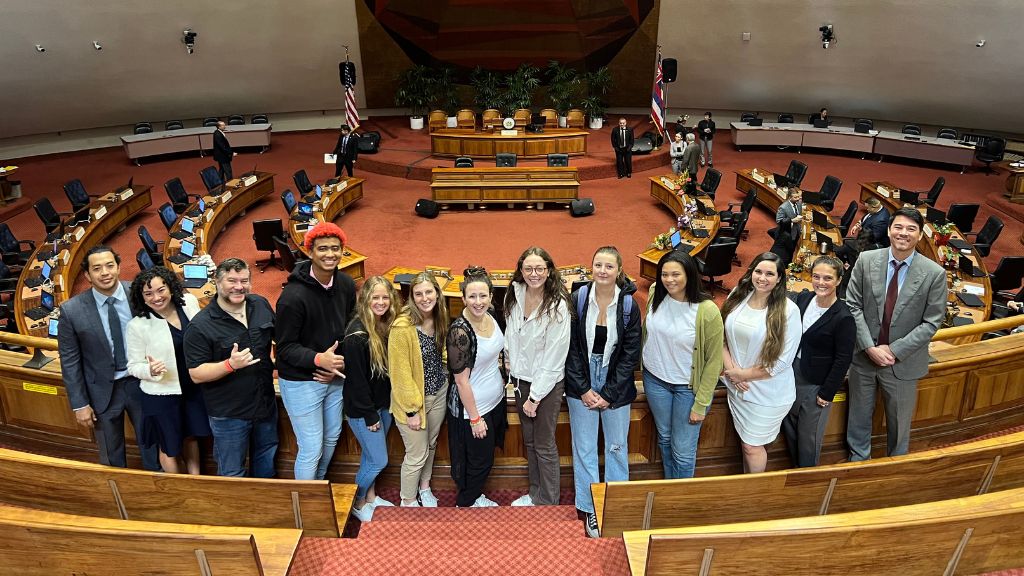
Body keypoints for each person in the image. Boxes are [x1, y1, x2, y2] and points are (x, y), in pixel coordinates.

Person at [845, 208, 946, 460]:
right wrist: (869, 347)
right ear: (889, 230)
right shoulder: (866, 260)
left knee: (899, 424)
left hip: (902, 362)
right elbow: (852, 305)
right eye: (898, 227)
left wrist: (893, 350)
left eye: (911, 229)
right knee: (858, 417)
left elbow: (931, 323)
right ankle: (858, 463)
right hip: (863, 358)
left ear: (920, 235)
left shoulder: (934, 273)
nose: (903, 233)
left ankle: (895, 465)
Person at [57, 246, 159, 470]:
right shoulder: (71, 310)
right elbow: (70, 361)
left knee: (152, 443)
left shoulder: (140, 294)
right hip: (102, 391)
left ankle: (158, 489)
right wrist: (80, 404)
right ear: (87, 275)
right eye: (97, 268)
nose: (105, 272)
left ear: (119, 267)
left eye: (110, 265)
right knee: (111, 454)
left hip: (141, 382)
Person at [565, 246, 641, 537]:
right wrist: (584, 389)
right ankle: (591, 509)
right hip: (581, 381)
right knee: (583, 449)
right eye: (598, 264)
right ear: (591, 266)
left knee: (616, 448)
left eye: (609, 266)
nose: (602, 271)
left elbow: (630, 354)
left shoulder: (628, 306)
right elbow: (570, 348)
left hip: (615, 385)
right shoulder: (579, 300)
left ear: (619, 270)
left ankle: (616, 506)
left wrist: (608, 393)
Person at [274, 223, 356, 480]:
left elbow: (351, 325)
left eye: (335, 248)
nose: (329, 254)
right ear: (310, 252)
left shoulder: (345, 283)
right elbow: (284, 348)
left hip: (333, 377)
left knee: (331, 438)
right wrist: (319, 359)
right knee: (311, 448)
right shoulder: (292, 297)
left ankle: (316, 488)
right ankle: (308, 508)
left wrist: (339, 364)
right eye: (322, 249)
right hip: (302, 382)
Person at [185, 258, 278, 477]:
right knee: (232, 471)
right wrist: (229, 365)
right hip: (230, 414)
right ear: (217, 282)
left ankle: (265, 508)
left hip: (265, 403)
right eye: (232, 281)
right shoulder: (200, 326)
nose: (239, 286)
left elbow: (278, 336)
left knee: (266, 456)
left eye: (244, 280)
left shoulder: (260, 304)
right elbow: (196, 374)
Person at [641, 249, 724, 480]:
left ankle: (680, 498)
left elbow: (714, 361)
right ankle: (670, 487)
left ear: (689, 274)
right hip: (655, 380)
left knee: (683, 452)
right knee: (665, 439)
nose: (669, 280)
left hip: (687, 389)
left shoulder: (707, 310)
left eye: (675, 274)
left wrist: (701, 403)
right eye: (665, 274)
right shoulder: (655, 292)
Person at [721, 252, 802, 474]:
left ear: (779, 279)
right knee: (746, 445)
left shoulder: (788, 311)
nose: (762, 278)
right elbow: (721, 337)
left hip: (768, 393)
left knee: (752, 446)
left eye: (769, 274)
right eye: (758, 271)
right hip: (736, 385)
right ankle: (748, 483)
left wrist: (742, 375)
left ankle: (755, 492)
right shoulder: (738, 295)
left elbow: (781, 362)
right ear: (751, 272)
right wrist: (732, 372)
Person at [125, 267, 209, 475]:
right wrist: (150, 370)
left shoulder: (188, 303)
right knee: (169, 446)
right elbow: (133, 366)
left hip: (192, 387)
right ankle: (179, 489)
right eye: (148, 294)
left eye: (161, 290)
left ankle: (195, 483)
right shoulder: (137, 326)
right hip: (162, 394)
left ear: (171, 288)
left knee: (190, 436)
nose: (156, 297)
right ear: (141, 297)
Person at [504, 247, 571, 507]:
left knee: (544, 444)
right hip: (521, 380)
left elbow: (555, 357)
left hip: (546, 385)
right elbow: (511, 329)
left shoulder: (558, 305)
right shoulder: (515, 292)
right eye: (529, 269)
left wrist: (534, 397)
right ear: (521, 270)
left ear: (549, 270)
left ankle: (549, 501)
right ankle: (535, 493)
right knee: (530, 443)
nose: (534, 274)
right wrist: (509, 358)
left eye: (540, 269)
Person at [780, 257, 855, 467]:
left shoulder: (844, 317)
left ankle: (807, 478)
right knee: (790, 425)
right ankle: (797, 470)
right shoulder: (803, 300)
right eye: (816, 277)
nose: (821, 282)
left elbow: (843, 358)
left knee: (808, 437)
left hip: (816, 382)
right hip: (792, 372)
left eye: (828, 278)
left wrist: (827, 392)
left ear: (839, 280)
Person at [447, 266, 507, 508]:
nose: (478, 302)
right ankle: (466, 503)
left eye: (483, 296)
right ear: (463, 298)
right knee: (479, 461)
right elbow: (461, 381)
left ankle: (474, 496)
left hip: (495, 400)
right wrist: (474, 418)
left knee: (486, 455)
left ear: (491, 296)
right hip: (473, 409)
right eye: (472, 296)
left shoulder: (490, 315)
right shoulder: (460, 333)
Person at [389, 272, 450, 507]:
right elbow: (400, 373)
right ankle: (408, 500)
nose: (425, 298)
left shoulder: (439, 316)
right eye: (419, 294)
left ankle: (424, 488)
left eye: (429, 292)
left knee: (431, 445)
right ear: (412, 298)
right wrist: (412, 411)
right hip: (414, 402)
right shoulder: (402, 327)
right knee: (416, 455)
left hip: (438, 392)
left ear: (437, 293)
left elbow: (441, 353)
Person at [344, 276, 401, 522]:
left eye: (385, 297)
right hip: (363, 410)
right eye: (375, 298)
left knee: (370, 456)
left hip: (382, 405)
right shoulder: (356, 335)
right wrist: (369, 415)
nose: (380, 302)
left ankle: (371, 497)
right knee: (379, 459)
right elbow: (356, 381)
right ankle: (356, 501)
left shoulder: (383, 325)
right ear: (365, 299)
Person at [835, 197, 891, 266]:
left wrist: (861, 229)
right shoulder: (877, 210)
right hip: (864, 238)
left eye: (868, 208)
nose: (867, 209)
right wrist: (857, 224)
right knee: (844, 247)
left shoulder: (881, 220)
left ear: (874, 207)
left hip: (873, 244)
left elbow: (873, 237)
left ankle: (851, 266)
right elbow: (866, 217)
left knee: (847, 246)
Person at [770, 188, 804, 266]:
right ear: (789, 198)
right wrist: (792, 220)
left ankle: (790, 262)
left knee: (792, 250)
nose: (798, 199)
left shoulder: (798, 204)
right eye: (795, 197)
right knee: (787, 251)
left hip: (796, 231)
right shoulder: (783, 207)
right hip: (787, 233)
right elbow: (779, 221)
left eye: (798, 197)